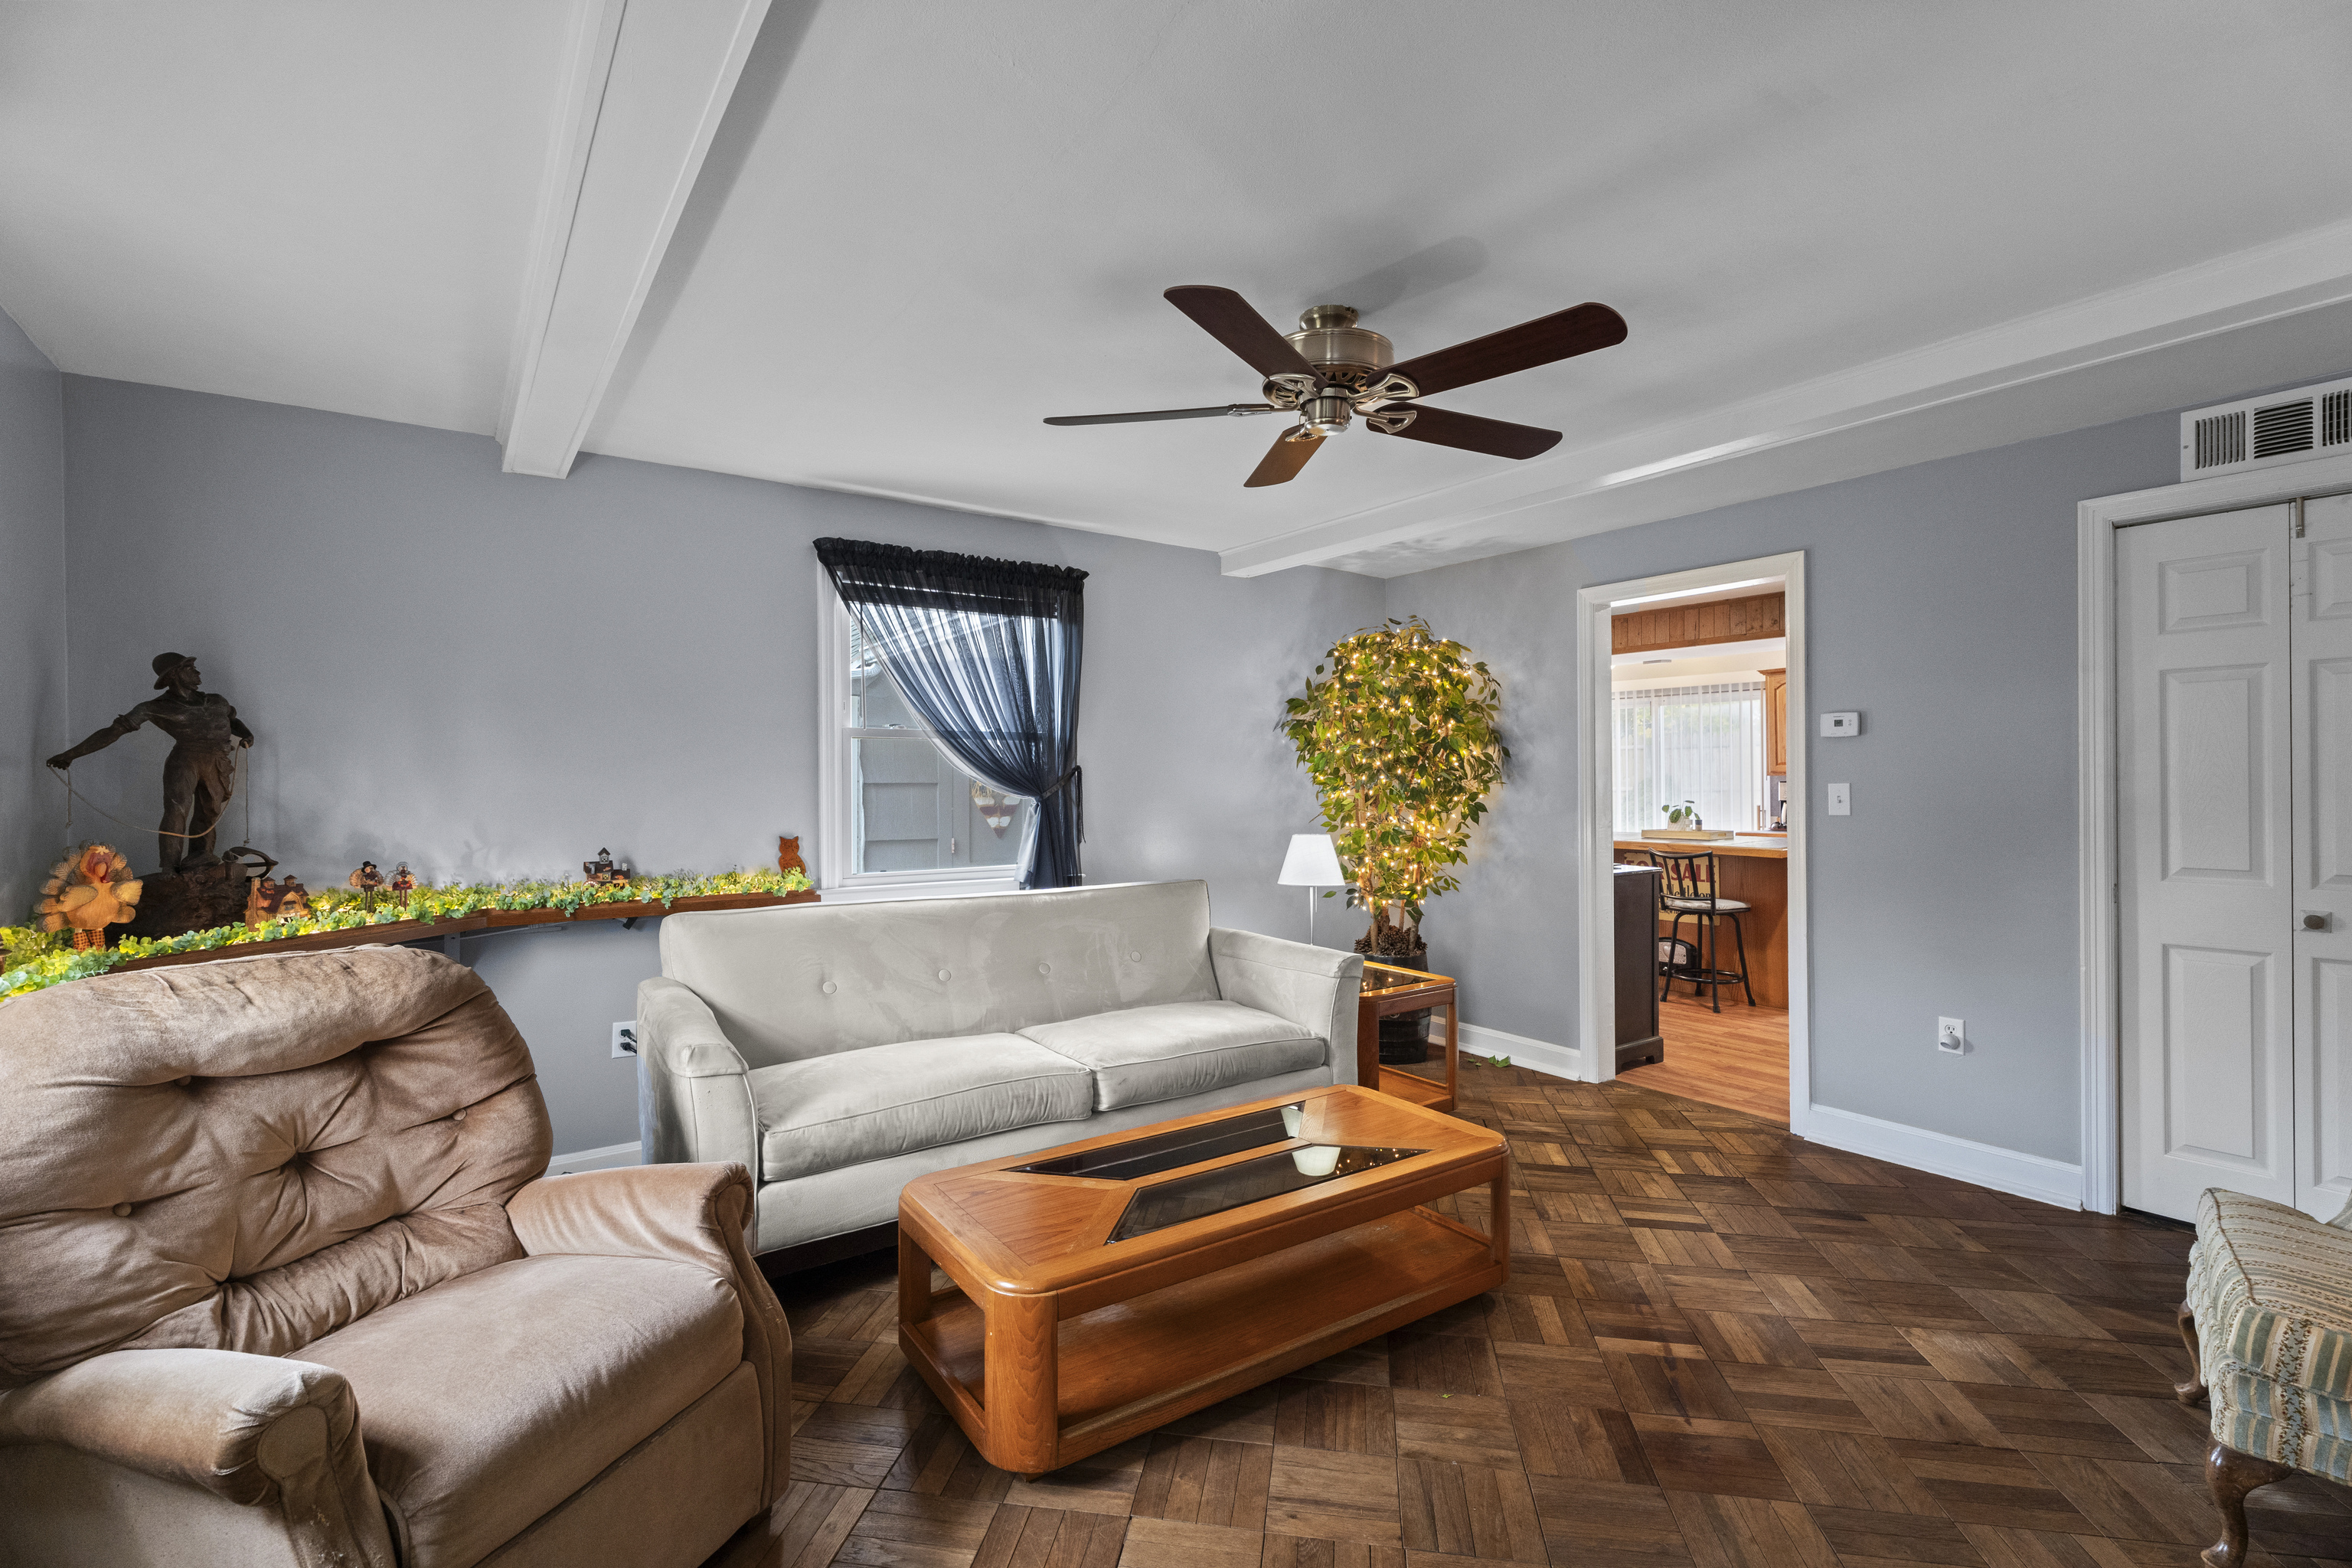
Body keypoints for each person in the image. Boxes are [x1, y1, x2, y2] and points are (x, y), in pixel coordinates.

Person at [47, 652, 254, 872]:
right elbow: (113, 732)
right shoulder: (154, 708)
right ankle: (170, 869)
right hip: (185, 760)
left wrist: (247, 735)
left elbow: (233, 722)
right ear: (174, 674)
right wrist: (71, 755)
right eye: (190, 668)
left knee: (209, 813)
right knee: (177, 811)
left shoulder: (217, 701)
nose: (198, 672)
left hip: (217, 761)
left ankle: (200, 863)